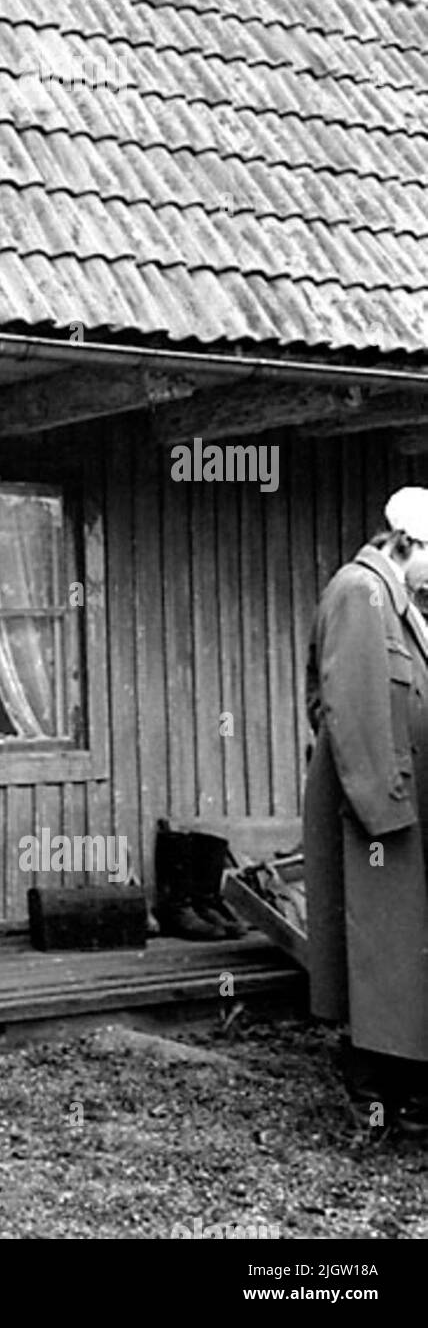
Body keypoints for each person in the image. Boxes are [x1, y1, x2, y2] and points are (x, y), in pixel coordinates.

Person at [303, 487, 428, 1138]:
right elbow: (345, 707)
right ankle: (376, 1102)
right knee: (384, 956)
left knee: (404, 957)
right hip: (380, 815)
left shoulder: (399, 601)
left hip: (403, 809)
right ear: (404, 543)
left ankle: (404, 1094)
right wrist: (382, 805)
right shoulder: (362, 592)